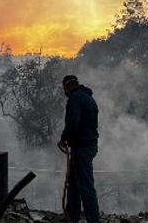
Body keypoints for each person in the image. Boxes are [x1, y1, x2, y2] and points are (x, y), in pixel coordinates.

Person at [58, 75, 100, 223]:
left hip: (81, 147)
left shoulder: (74, 99)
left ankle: (94, 220)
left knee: (85, 186)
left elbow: (73, 121)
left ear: (67, 86)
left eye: (64, 88)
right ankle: (71, 216)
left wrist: (64, 137)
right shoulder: (89, 99)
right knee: (74, 183)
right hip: (88, 145)